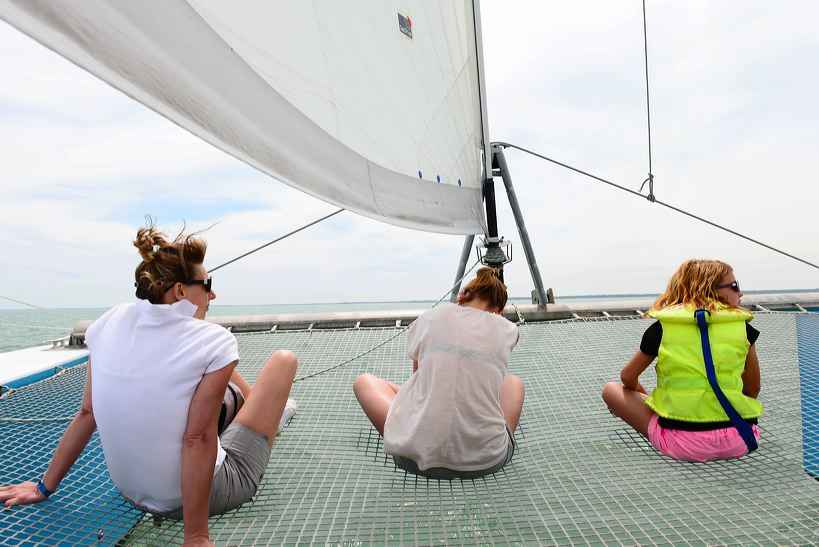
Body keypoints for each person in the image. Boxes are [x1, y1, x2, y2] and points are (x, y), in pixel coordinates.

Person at [0, 222, 297, 546]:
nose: (213, 294)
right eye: (207, 284)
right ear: (180, 291)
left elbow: (87, 413)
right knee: (284, 361)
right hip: (201, 496)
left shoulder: (107, 323)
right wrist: (195, 536)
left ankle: (256, 408)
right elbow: (196, 439)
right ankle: (273, 417)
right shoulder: (213, 339)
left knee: (214, 365)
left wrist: (43, 487)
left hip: (131, 492)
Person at [354, 267, 525, 479]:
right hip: (487, 460)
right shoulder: (509, 330)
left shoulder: (430, 318)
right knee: (513, 382)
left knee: (364, 381)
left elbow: (418, 379)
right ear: (498, 310)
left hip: (411, 457)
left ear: (462, 295)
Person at [602, 258, 762, 462]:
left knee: (610, 390)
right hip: (740, 439)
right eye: (734, 286)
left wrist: (646, 398)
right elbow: (753, 388)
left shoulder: (664, 326)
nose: (740, 293)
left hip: (682, 445)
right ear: (711, 289)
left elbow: (627, 376)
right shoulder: (743, 328)